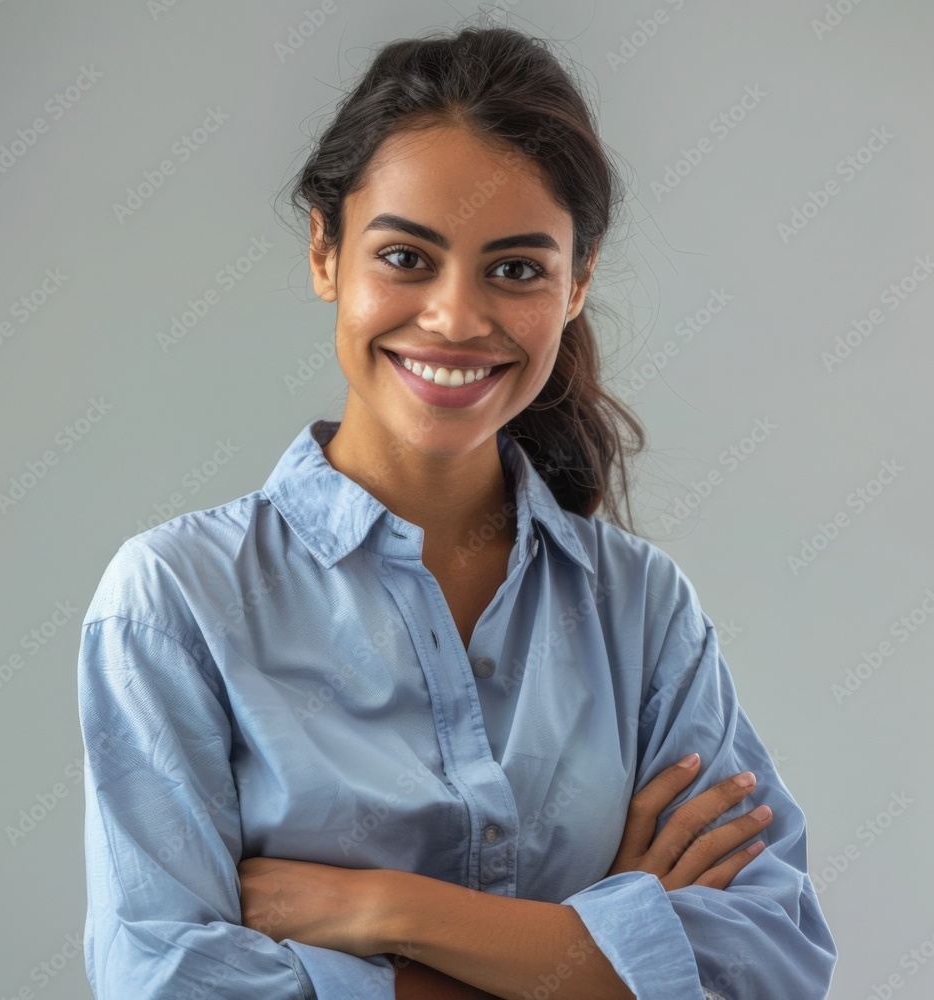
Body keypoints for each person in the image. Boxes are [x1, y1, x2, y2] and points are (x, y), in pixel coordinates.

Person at [76, 22, 838, 1000]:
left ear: (579, 281)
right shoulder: (173, 601)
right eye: (406, 256)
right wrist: (601, 952)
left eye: (516, 268)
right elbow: (165, 983)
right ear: (324, 250)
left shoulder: (642, 610)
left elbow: (769, 963)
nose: (454, 318)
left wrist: (387, 912)